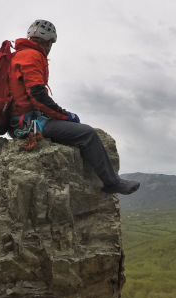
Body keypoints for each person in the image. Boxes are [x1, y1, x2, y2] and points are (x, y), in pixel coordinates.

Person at [8, 19, 140, 195]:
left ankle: (110, 179)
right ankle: (112, 182)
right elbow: (38, 95)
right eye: (51, 44)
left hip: (21, 120)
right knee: (87, 133)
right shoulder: (31, 56)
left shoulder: (19, 54)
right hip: (29, 123)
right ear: (48, 42)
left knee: (75, 129)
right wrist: (65, 116)